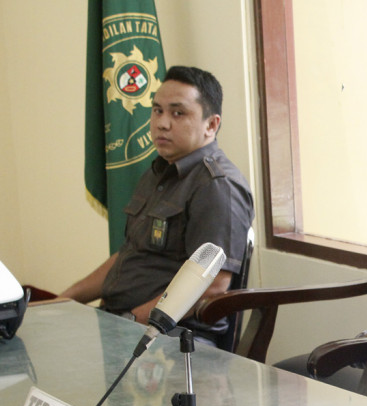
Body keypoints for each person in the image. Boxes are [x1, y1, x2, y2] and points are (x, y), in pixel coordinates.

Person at [63, 65, 254, 343]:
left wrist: (130, 323)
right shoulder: (159, 173)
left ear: (211, 125)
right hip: (123, 322)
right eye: (157, 110)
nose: (162, 123)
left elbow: (213, 284)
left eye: (178, 113)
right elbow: (129, 255)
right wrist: (63, 300)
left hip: (172, 337)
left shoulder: (217, 186)